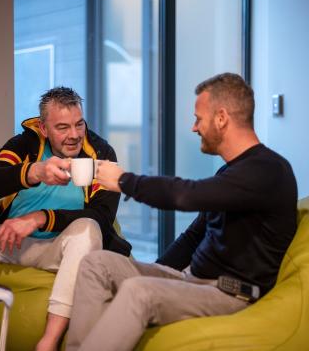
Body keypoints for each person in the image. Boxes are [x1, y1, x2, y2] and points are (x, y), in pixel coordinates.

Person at [66, 73, 298, 351]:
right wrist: (152, 270)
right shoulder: (231, 172)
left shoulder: (267, 170)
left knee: (139, 292)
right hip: (192, 279)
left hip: (230, 292)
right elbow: (193, 236)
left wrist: (124, 181)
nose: (194, 127)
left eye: (199, 118)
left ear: (221, 118)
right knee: (97, 265)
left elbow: (185, 195)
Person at [0, 86, 131, 351]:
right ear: (43, 128)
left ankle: (49, 340)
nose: (74, 135)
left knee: (87, 228)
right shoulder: (22, 145)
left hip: (64, 251)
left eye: (79, 124)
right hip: (14, 243)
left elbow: (102, 216)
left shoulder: (100, 153)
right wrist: (35, 172)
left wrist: (42, 218)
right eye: (63, 127)